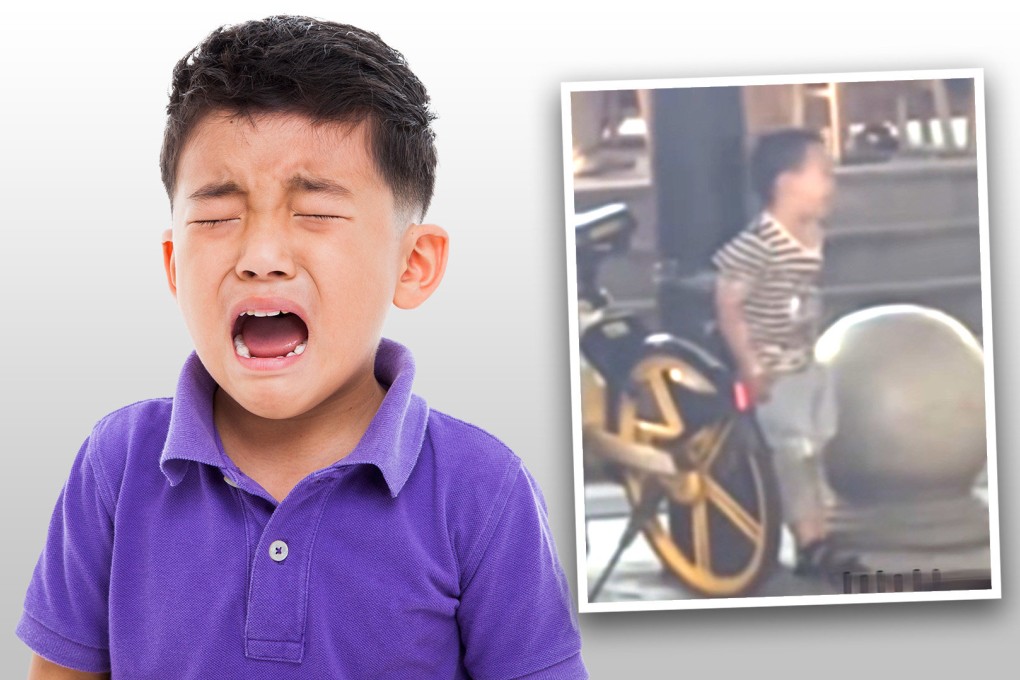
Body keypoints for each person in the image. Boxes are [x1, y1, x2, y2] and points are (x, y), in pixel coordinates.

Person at [16, 16, 587, 679]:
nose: (261, 257)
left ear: (414, 264)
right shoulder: (115, 465)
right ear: (174, 266)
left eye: (315, 212)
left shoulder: (483, 491)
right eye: (217, 216)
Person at [712, 128, 864, 581]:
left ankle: (818, 532)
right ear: (785, 183)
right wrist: (752, 365)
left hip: (805, 360)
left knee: (815, 445)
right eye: (823, 173)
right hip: (776, 371)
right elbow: (728, 302)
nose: (831, 184)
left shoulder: (812, 234)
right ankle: (810, 542)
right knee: (793, 454)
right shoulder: (757, 244)